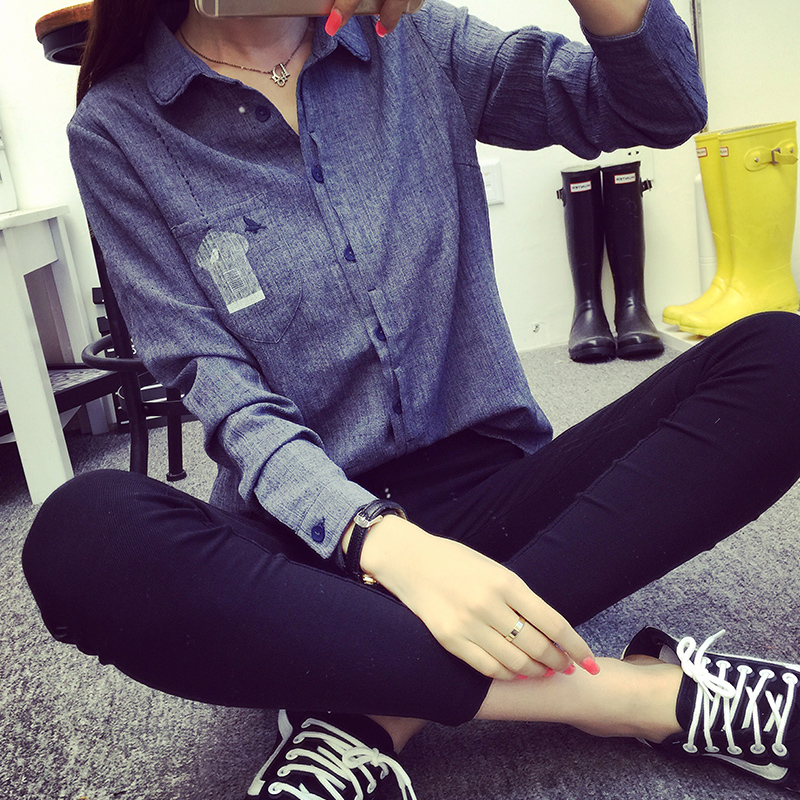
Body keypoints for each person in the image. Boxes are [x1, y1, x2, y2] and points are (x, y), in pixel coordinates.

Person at [22, 0, 800, 797]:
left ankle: (371, 711)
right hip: (308, 546)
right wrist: (383, 543)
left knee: (783, 359)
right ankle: (632, 697)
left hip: (497, 505)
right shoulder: (117, 129)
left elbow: (659, 109)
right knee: (81, 537)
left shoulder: (418, 40)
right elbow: (221, 390)